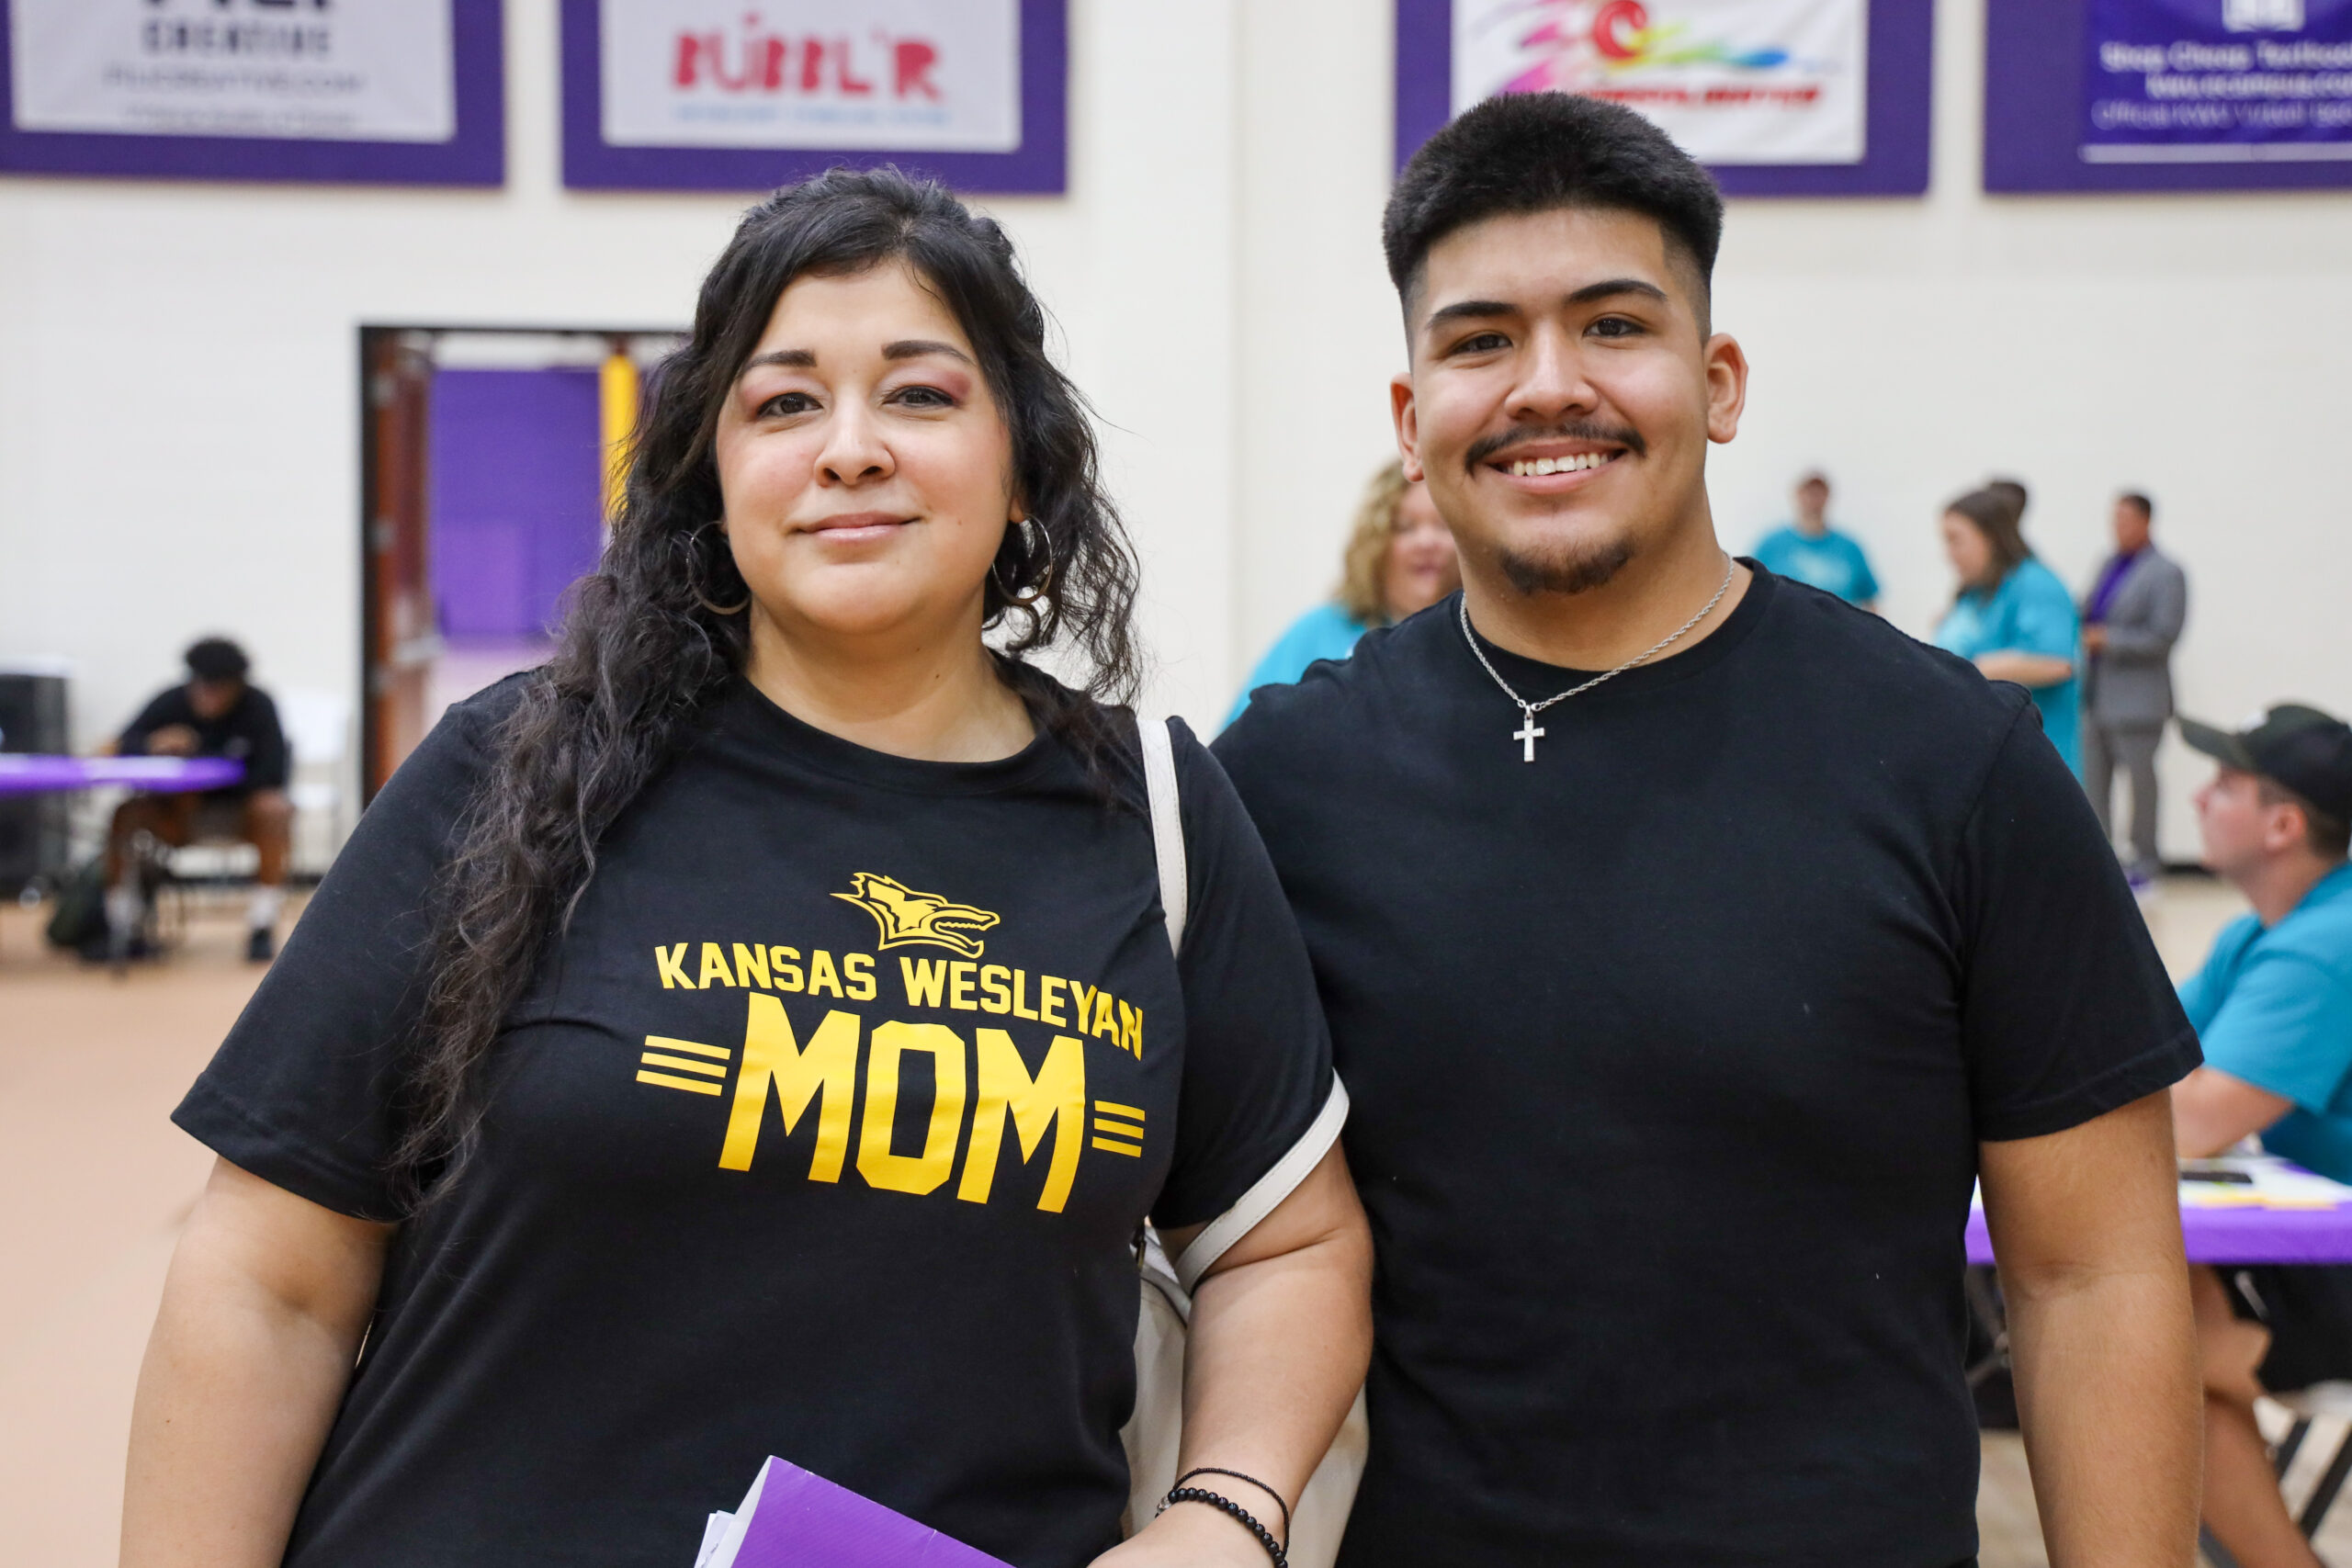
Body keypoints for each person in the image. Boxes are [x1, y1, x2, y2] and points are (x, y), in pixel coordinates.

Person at [120, 169, 1371, 1568]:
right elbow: (270, 1280)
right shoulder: (522, 767)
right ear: (711, 474)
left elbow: (1285, 1245)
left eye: (920, 393)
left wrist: (1228, 1512)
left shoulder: (1150, 812)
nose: (850, 447)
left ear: (1022, 459)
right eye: (784, 402)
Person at [1214, 92, 2202, 1566]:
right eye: (1482, 339)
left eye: (1615, 324)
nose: (1548, 385)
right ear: (1415, 421)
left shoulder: (1952, 760)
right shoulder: (1286, 780)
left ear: (1719, 378)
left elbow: (2094, 1273)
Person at [2166, 704, 2352, 1568]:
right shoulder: (2259, 933)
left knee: (2146, 1359)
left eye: (2226, 784)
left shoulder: (2325, 946)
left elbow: (2194, 1117)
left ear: (2282, 823)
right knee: (2147, 1316)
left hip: (2335, 1274)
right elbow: (2138, 1059)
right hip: (2313, 1259)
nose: (2199, 797)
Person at [1225, 463, 1458, 726]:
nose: (1426, 542)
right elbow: (1236, 747)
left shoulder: (1481, 643)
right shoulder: (1318, 632)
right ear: (1375, 544)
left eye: (1443, 525)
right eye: (1404, 527)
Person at [104, 636, 291, 962]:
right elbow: (119, 744)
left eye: (219, 687)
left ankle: (262, 922)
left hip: (237, 812)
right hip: (175, 813)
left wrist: (205, 762)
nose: (209, 695)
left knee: (274, 809)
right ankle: (122, 924)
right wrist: (153, 744)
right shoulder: (171, 701)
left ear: (237, 685)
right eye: (202, 685)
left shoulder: (259, 706)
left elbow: (274, 773)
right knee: (126, 813)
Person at [1933, 487, 2085, 774]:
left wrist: (1956, 672)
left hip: (2037, 768)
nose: (1948, 554)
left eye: (1955, 540)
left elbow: (2056, 662)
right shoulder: (1976, 594)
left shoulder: (2035, 583)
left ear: (1990, 537)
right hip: (1987, 763)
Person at [2082, 491, 2188, 893]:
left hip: (2139, 702)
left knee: (2142, 787)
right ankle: (2100, 859)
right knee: (2094, 785)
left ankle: (2146, 862)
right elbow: (2089, 611)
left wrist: (2107, 640)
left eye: (2126, 519)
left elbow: (2163, 636)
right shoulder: (2109, 564)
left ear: (2146, 521)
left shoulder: (2166, 572)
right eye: (2115, 519)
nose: (2118, 527)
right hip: (2097, 697)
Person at [1749, 469, 1878, 608]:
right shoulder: (1770, 545)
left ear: (1828, 497)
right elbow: (1751, 593)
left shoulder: (1850, 548)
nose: (1813, 500)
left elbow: (1869, 600)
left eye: (1819, 493)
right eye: (1809, 493)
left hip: (1838, 628)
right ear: (1798, 495)